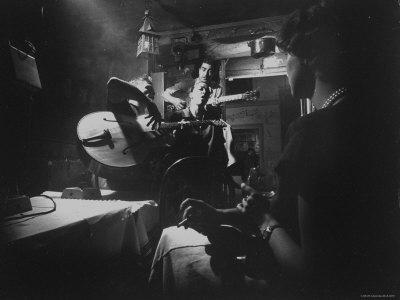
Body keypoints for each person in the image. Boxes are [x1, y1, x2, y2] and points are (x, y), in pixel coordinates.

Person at [157, 1, 399, 297]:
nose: (286, 67)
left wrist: (262, 220)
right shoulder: (372, 121)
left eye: (287, 55)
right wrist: (220, 213)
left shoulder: (312, 131)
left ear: (310, 58)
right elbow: (295, 217)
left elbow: (312, 270)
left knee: (174, 247)